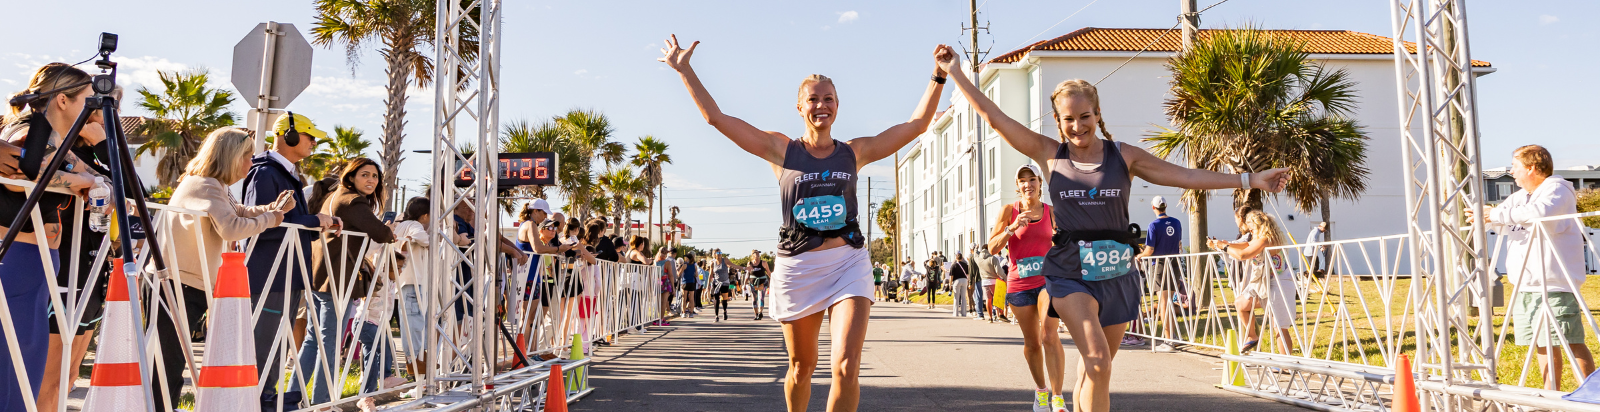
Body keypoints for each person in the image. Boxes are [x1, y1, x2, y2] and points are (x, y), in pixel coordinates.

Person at [936, 44, 1289, 412]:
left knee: (1096, 371)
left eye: (1084, 116)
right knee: (1098, 360)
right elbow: (995, 119)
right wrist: (956, 72)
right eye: (1067, 119)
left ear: (1097, 113)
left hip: (1118, 271)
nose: (1077, 126)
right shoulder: (1050, 155)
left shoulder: (1124, 156)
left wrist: (1251, 179)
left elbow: (1186, 176)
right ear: (1057, 121)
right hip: (1069, 271)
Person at [662, 34, 949, 411]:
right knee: (802, 367)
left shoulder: (854, 152)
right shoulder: (782, 150)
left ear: (838, 105)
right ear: (800, 107)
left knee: (846, 367)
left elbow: (916, 125)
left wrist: (938, 76)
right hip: (799, 267)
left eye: (828, 98)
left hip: (849, 262)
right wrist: (685, 70)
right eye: (813, 99)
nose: (821, 105)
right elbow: (716, 118)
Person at [149, 127, 291, 410]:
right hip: (177, 282)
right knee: (168, 360)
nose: (251, 164)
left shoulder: (212, 185)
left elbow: (236, 212)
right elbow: (231, 227)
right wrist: (272, 218)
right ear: (230, 157)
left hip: (185, 281)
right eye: (247, 157)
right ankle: (158, 406)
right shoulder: (204, 184)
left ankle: (161, 405)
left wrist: (270, 210)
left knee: (172, 358)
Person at [0, 63, 102, 410]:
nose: (94, 108)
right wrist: (85, 184)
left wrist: (94, 181)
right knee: (11, 363)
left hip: (37, 265)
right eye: (88, 99)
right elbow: (20, 174)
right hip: (17, 260)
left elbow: (94, 176)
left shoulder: (58, 141)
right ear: (63, 100)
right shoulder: (29, 128)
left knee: (25, 361)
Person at [1472, 144, 1594, 390]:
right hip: (1524, 284)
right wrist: (1482, 216)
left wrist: (1495, 214)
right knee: (1541, 343)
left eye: (1515, 167)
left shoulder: (1558, 190)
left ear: (1531, 168)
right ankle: (1551, 395)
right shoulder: (1518, 198)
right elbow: (1500, 223)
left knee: (1570, 340)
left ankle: (1591, 394)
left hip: (1554, 283)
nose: (1512, 172)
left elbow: (1540, 212)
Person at [242, 112, 342, 409]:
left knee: (276, 343)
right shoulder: (266, 172)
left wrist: (315, 225)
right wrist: (313, 220)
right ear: (290, 136)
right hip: (270, 273)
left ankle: (266, 398)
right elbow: (262, 221)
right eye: (310, 136)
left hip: (284, 272)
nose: (313, 142)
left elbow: (288, 223)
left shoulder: (283, 172)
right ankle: (257, 400)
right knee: (265, 343)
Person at [303, 157, 399, 404]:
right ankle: (322, 404)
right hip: (337, 280)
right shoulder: (353, 201)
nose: (371, 180)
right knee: (330, 344)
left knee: (314, 341)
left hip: (320, 276)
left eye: (375, 176)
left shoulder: (334, 197)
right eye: (365, 175)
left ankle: (294, 397)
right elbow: (380, 232)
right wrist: (388, 230)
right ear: (351, 177)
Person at [988, 163, 1067, 411]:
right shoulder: (1008, 211)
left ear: (1040, 184)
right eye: (1023, 181)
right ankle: (1041, 391)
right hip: (1018, 284)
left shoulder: (1052, 212)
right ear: (1017, 186)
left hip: (1047, 281)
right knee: (1032, 343)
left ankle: (1057, 397)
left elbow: (1066, 244)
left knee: (1049, 336)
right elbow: (992, 248)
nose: (1028, 185)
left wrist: (1060, 240)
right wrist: (1012, 228)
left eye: (1032, 179)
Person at [1209, 209, 1296, 356]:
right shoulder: (1258, 239)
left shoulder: (1268, 239)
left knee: (1279, 327)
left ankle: (1285, 363)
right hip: (1262, 283)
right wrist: (1221, 244)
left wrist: (1225, 247)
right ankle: (1252, 336)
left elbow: (1243, 254)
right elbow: (1245, 246)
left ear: (1257, 225)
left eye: (1250, 226)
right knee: (1241, 303)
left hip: (1279, 283)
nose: (1249, 229)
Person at [390, 197, 437, 382]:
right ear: (425, 216)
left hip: (404, 281)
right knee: (415, 324)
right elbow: (423, 239)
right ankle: (415, 364)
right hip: (411, 282)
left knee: (413, 323)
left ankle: (418, 362)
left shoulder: (401, 224)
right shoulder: (414, 225)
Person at [1138, 195, 1185, 352]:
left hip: (1159, 265)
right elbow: (1179, 244)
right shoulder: (1177, 222)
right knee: (1169, 301)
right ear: (1165, 206)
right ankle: (1173, 336)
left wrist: (1139, 256)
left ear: (1153, 207)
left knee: (1163, 302)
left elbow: (1150, 250)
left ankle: (1168, 339)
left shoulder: (1154, 225)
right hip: (1173, 263)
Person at [652, 246, 677, 326]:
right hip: (665, 282)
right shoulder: (667, 262)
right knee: (664, 302)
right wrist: (673, 287)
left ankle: (656, 319)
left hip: (657, 281)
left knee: (657, 302)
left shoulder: (655, 261)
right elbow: (671, 275)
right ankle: (661, 319)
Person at [748, 250, 772, 320]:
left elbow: (768, 272)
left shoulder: (763, 263)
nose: (758, 255)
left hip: (762, 283)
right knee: (754, 299)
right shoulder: (749, 263)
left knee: (761, 298)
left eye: (758, 253)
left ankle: (760, 312)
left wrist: (773, 280)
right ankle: (756, 314)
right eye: (756, 253)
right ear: (752, 255)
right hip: (753, 283)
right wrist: (744, 283)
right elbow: (747, 274)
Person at [710, 252, 734, 321]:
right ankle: (716, 315)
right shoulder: (712, 263)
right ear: (714, 255)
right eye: (717, 253)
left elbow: (732, 265)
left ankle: (724, 311)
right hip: (716, 283)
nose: (719, 254)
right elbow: (711, 274)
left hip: (725, 283)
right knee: (716, 299)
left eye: (720, 252)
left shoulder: (725, 261)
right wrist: (708, 285)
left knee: (724, 299)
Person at [679, 253, 701, 318]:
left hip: (685, 282)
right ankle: (691, 313)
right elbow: (696, 275)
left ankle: (683, 312)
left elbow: (679, 273)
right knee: (691, 298)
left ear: (687, 258)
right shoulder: (694, 266)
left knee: (684, 298)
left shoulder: (685, 265)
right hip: (692, 282)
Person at [949, 252, 970, 317]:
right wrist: (968, 282)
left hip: (956, 281)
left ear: (956, 258)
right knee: (963, 297)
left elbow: (951, 276)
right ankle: (964, 313)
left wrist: (950, 284)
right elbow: (968, 274)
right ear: (962, 258)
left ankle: (955, 313)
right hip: (964, 280)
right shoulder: (966, 265)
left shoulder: (953, 265)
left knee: (956, 297)